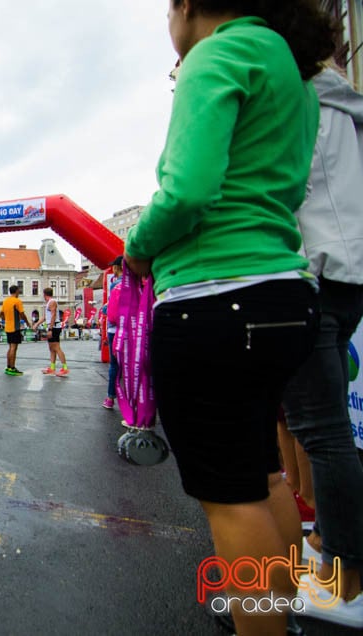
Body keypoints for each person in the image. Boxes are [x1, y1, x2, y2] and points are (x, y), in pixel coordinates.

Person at [123, 3, 336, 634]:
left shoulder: (213, 56)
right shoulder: (291, 71)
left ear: (187, 6)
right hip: (283, 292)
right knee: (263, 473)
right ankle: (279, 612)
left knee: (230, 496)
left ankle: (261, 622)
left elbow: (186, 190)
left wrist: (138, 247)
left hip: (213, 295)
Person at [280, 63, 363, 623]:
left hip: (316, 271)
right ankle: (334, 549)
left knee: (321, 431)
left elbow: (287, 188)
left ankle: (347, 577)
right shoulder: (342, 103)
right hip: (346, 271)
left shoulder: (299, 95)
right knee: (324, 427)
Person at [102, 256, 123, 408]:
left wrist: (103, 309)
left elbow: (110, 308)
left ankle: (110, 398)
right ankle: (132, 403)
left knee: (114, 365)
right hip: (132, 328)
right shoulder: (138, 283)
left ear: (116, 268)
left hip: (114, 329)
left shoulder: (115, 284)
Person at [0, 285, 30, 376]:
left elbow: (1, 314)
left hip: (8, 326)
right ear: (16, 291)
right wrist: (27, 322)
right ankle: (12, 368)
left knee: (10, 347)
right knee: (14, 348)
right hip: (15, 327)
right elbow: (22, 313)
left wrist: (7, 319)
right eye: (18, 291)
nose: (19, 292)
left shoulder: (6, 301)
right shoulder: (17, 301)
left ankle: (8, 366)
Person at [41, 287, 68, 377]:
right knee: (51, 348)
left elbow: (53, 315)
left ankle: (65, 368)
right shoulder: (48, 303)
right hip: (51, 326)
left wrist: (50, 329)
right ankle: (52, 368)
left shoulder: (52, 302)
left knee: (56, 347)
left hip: (54, 327)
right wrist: (36, 324)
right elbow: (45, 317)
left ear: (44, 294)